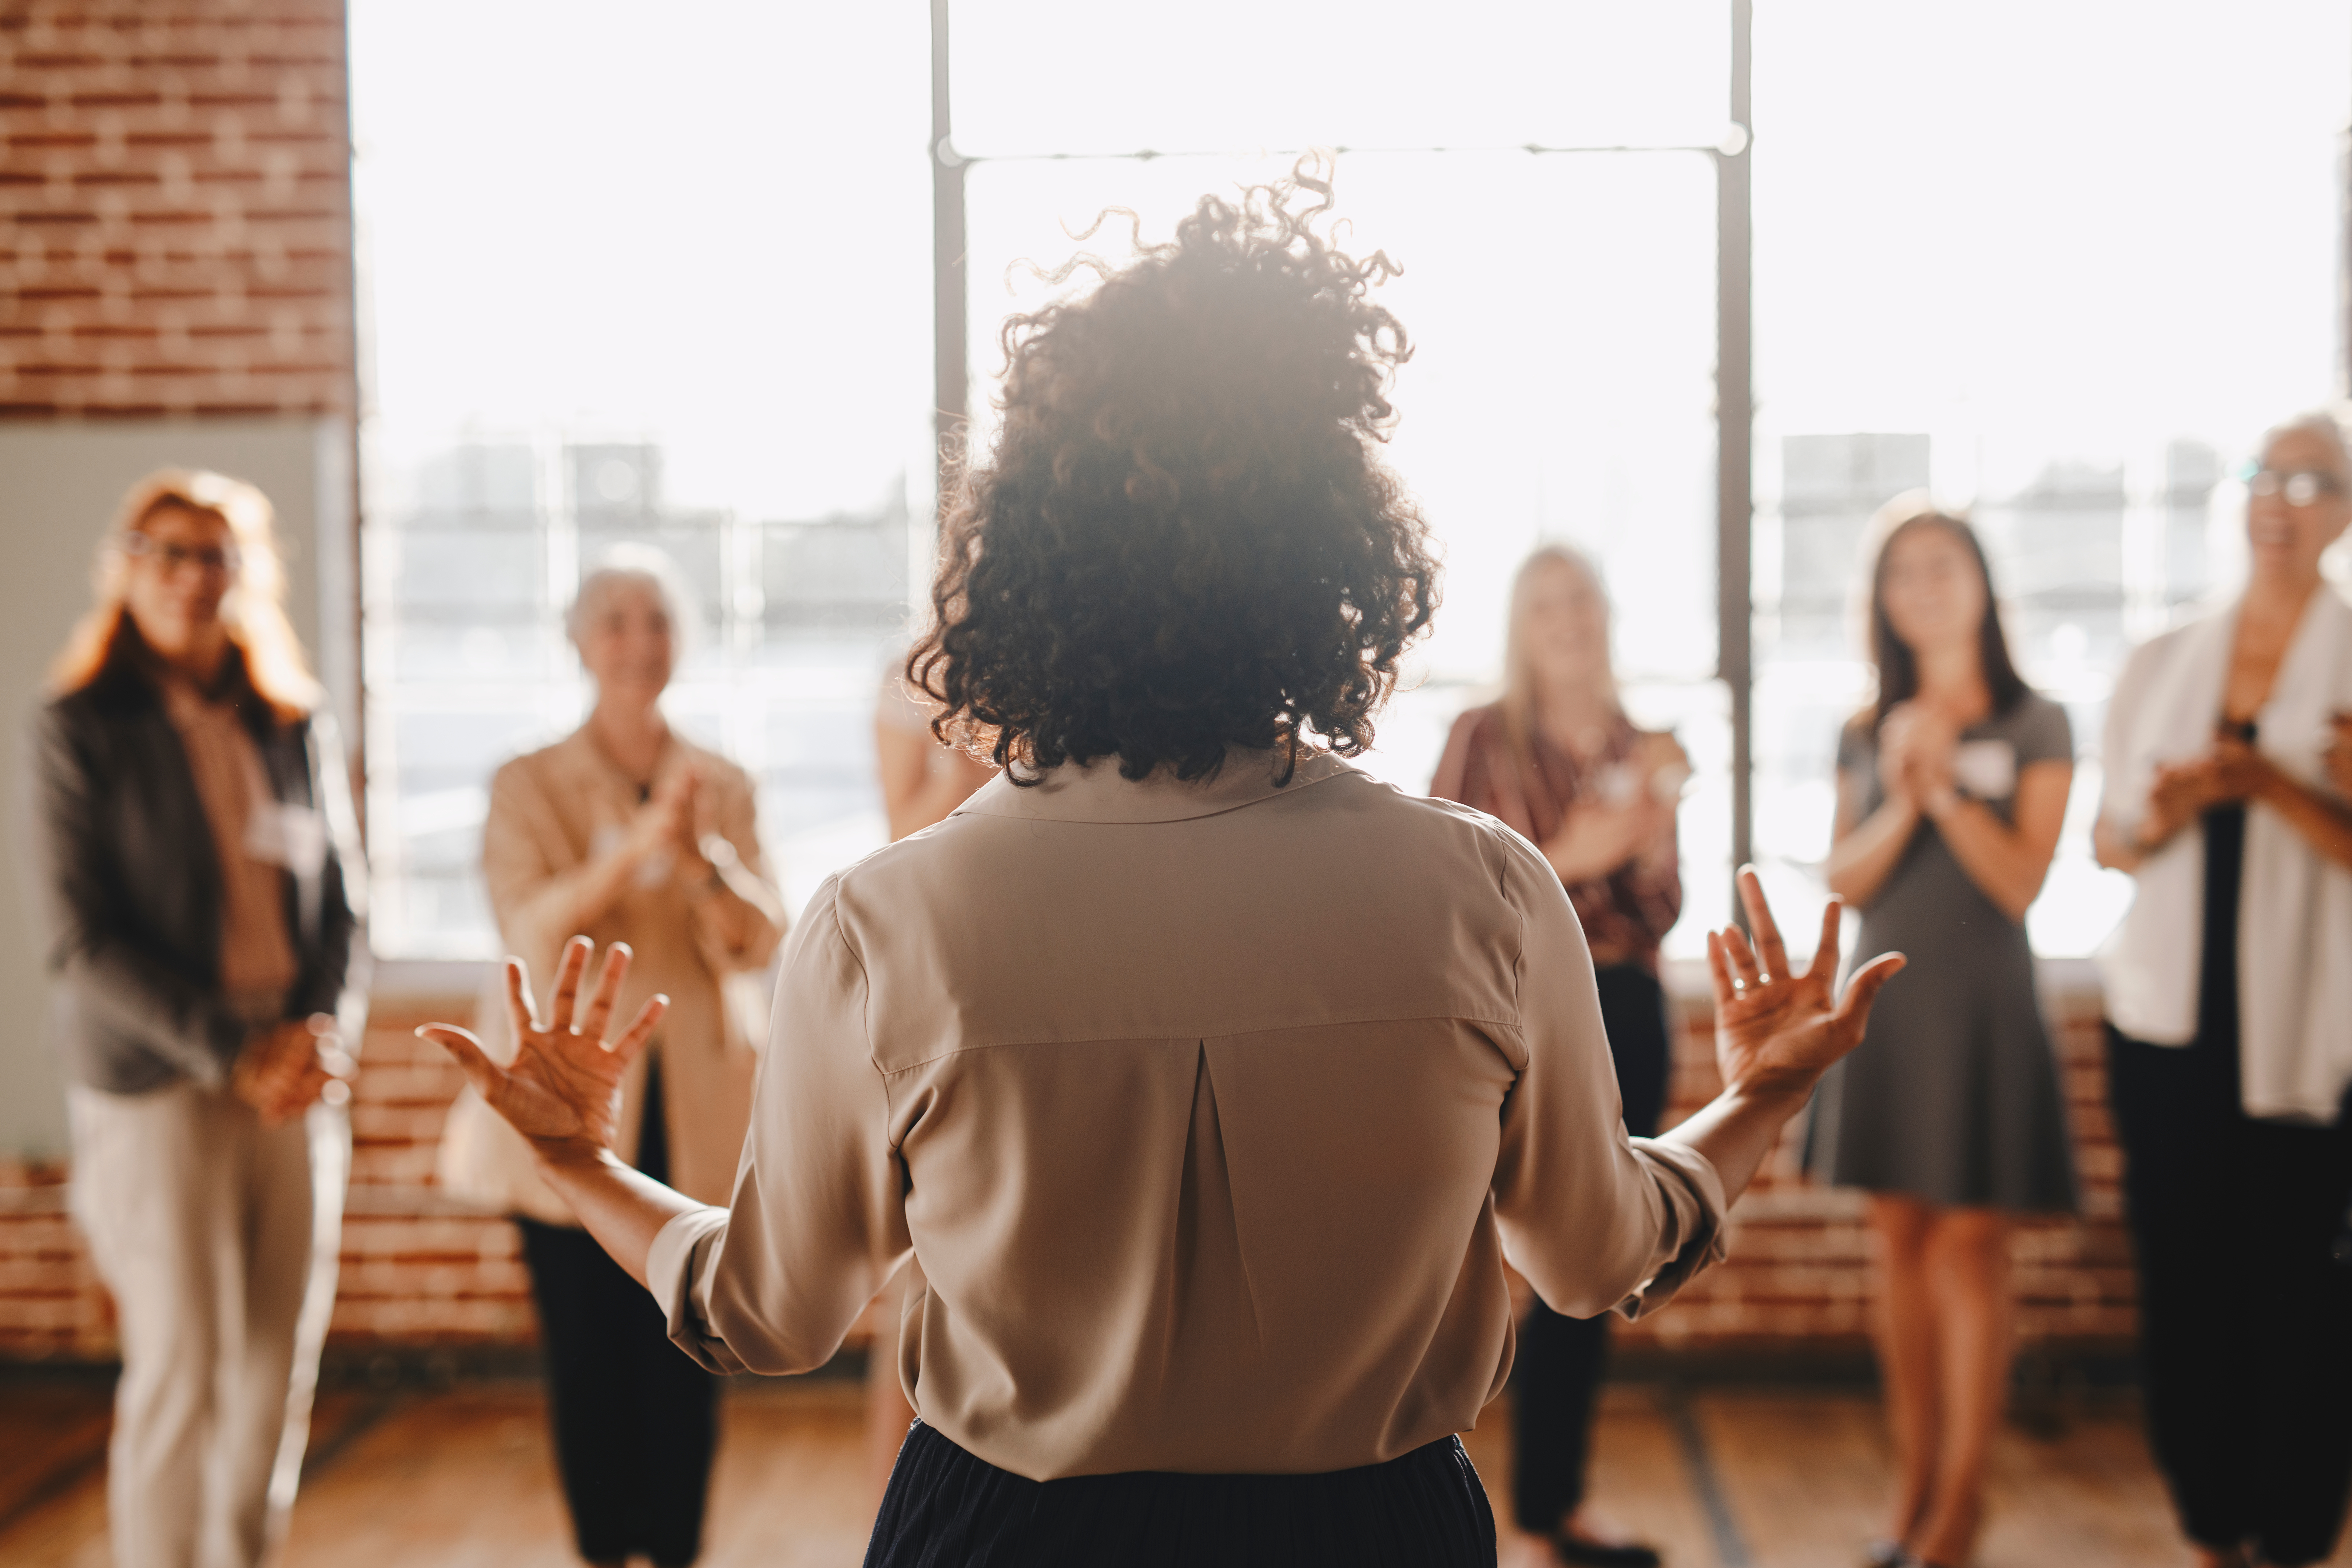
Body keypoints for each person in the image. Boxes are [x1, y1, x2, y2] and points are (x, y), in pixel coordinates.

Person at [422, 171, 1903, 1567]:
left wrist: (576, 1161)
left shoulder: (888, 921)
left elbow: (765, 1312)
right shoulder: (1484, 892)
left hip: (1006, 1536)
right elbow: (1598, 1259)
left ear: (1012, 570)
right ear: (1338, 566)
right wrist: (1763, 1088)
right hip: (1371, 1536)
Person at [36, 470, 366, 1568]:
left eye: (214, 553)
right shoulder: (82, 725)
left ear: (244, 573)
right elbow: (86, 942)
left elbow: (342, 905)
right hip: (164, 1085)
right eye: (166, 551)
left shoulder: (289, 719)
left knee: (276, 1364)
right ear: (127, 568)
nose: (190, 574)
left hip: (294, 1081)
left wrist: (315, 1036)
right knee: (184, 1362)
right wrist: (235, 1053)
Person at [458, 548, 785, 1568]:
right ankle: (604, 1552)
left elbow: (764, 934)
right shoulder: (526, 783)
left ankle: (680, 1550)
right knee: (588, 1362)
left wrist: (702, 861)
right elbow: (530, 924)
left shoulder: (723, 783)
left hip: (693, 1108)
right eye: (616, 621)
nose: (639, 641)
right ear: (580, 642)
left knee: (689, 1353)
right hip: (562, 1109)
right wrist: (629, 848)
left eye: (657, 619)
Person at [2093, 413, 2352, 1568]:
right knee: (2187, 1280)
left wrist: (2282, 788)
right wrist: (2182, 805)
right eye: (2265, 475)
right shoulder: (2163, 660)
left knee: (2305, 1292)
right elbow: (2113, 839)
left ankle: (2293, 1532)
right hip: (2171, 1028)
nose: (2282, 500)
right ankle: (2206, 1521)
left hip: (2314, 1031)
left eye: (2314, 482)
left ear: (2344, 509)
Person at [1809, 498, 2077, 1568]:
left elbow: (2020, 882)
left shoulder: (2037, 719)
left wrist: (1946, 789)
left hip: (1986, 1004)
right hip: (1891, 1004)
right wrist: (1907, 795)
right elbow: (1845, 875)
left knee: (1973, 1245)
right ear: (1880, 600)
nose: (1922, 585)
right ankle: (1912, 1494)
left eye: (1942, 565)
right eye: (1901, 571)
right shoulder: (1865, 728)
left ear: (1979, 583)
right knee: (1901, 1243)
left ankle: (1964, 1507)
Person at [1430, 544, 1686, 1568]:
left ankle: (1550, 1511)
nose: (1568, 619)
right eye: (1546, 604)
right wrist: (1581, 852)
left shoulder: (1646, 742)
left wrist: (1642, 841)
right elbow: (1456, 887)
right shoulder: (1480, 735)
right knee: (1458, 1260)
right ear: (1519, 624)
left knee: (1597, 1261)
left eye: (1582, 599)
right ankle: (1434, 1510)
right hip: (1507, 1011)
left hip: (1625, 1002)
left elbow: (1660, 907)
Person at [859, 661, 998, 1500]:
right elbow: (898, 839)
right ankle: (896, 1515)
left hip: (1057, 934)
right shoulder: (919, 673)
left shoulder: (1092, 636)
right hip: (945, 957)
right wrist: (966, 766)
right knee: (923, 1264)